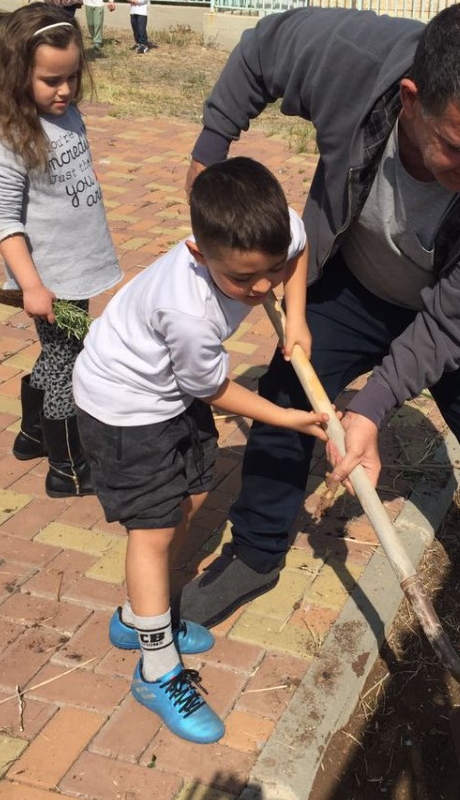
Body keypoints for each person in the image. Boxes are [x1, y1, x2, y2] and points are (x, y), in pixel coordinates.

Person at [182, 1, 460, 707]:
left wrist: (372, 406)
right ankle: (258, 549)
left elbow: (453, 324)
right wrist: (210, 150)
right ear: (413, 100)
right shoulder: (355, 60)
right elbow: (263, 48)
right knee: (285, 398)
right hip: (358, 279)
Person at [72, 157, 328, 742]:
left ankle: (140, 619)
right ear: (197, 252)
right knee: (153, 530)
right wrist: (286, 416)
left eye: (268, 272)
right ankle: (156, 672)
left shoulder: (272, 232)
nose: (261, 287)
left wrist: (296, 317)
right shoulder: (186, 311)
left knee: (191, 494)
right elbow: (211, 388)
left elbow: (299, 243)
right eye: (243, 280)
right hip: (124, 408)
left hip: (167, 396)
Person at [0, 4, 122, 498]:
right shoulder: (9, 136)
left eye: (72, 77)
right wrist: (32, 285)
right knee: (70, 363)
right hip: (50, 279)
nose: (64, 90)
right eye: (50, 80)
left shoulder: (67, 114)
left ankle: (32, 435)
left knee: (59, 354)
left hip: (77, 270)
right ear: (19, 74)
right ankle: (69, 469)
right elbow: (2, 220)